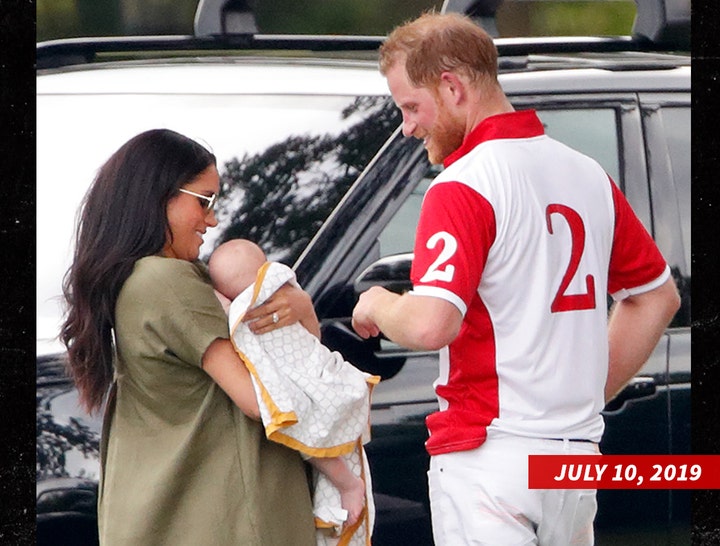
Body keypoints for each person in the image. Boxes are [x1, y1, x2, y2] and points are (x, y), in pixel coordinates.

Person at [351, 12, 681, 546]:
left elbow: (433, 323)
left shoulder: (462, 183)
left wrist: (377, 304)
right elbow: (656, 298)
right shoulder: (586, 173)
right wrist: (579, 397)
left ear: (452, 86)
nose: (408, 127)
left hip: (491, 459)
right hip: (574, 460)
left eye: (411, 107)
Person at [60, 128, 318, 546]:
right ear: (159, 196)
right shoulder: (168, 281)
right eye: (204, 200)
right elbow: (264, 400)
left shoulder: (137, 280)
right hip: (222, 521)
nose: (212, 219)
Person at [208, 239, 377, 543]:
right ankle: (347, 486)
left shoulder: (264, 303)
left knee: (307, 432)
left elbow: (306, 343)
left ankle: (349, 484)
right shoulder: (281, 292)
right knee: (312, 433)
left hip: (311, 388)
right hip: (317, 386)